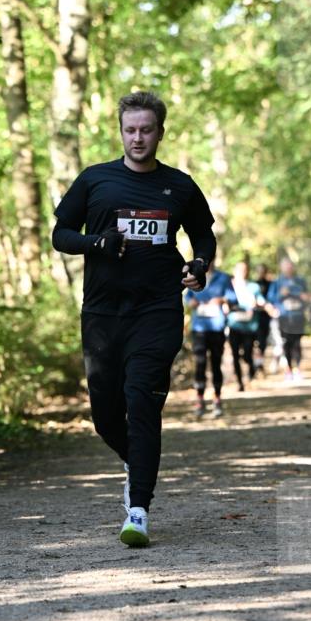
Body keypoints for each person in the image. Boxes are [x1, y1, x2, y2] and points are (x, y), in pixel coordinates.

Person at [52, 91, 216, 548]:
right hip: (103, 313)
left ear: (160, 132)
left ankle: (138, 509)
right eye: (130, 130)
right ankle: (135, 461)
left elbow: (203, 236)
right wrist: (95, 244)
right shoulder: (95, 181)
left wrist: (198, 266)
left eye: (146, 130)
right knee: (106, 417)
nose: (138, 138)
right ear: (121, 132)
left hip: (158, 309)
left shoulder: (180, 186)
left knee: (141, 400)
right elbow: (61, 235)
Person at [185, 258, 236, 415]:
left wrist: (221, 300)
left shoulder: (223, 278)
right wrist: (191, 302)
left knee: (216, 363)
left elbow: (233, 299)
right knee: (200, 363)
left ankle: (217, 399)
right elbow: (186, 296)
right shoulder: (194, 275)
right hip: (199, 327)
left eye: (209, 261)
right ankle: (199, 400)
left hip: (217, 327)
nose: (207, 264)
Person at [267, 257, 311, 381]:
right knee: (286, 343)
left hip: (298, 316)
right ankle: (288, 369)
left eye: (290, 266)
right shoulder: (277, 282)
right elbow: (270, 299)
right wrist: (281, 294)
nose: (289, 268)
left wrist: (305, 297)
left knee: (297, 343)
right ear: (281, 268)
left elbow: (308, 297)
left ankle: (297, 369)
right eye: (286, 266)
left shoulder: (300, 281)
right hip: (284, 317)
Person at [226, 259, 264, 391]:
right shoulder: (228, 287)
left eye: (244, 270)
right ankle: (240, 382)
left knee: (247, 353)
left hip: (249, 326)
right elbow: (223, 301)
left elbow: (261, 301)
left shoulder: (253, 287)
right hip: (234, 325)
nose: (242, 273)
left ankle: (252, 368)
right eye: (239, 270)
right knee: (235, 355)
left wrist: (257, 303)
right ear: (234, 271)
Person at [252, 262, 272, 375]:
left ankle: (259, 362)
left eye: (263, 271)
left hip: (266, 317)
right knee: (255, 341)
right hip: (254, 317)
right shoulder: (253, 284)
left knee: (263, 342)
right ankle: (256, 363)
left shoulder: (271, 284)